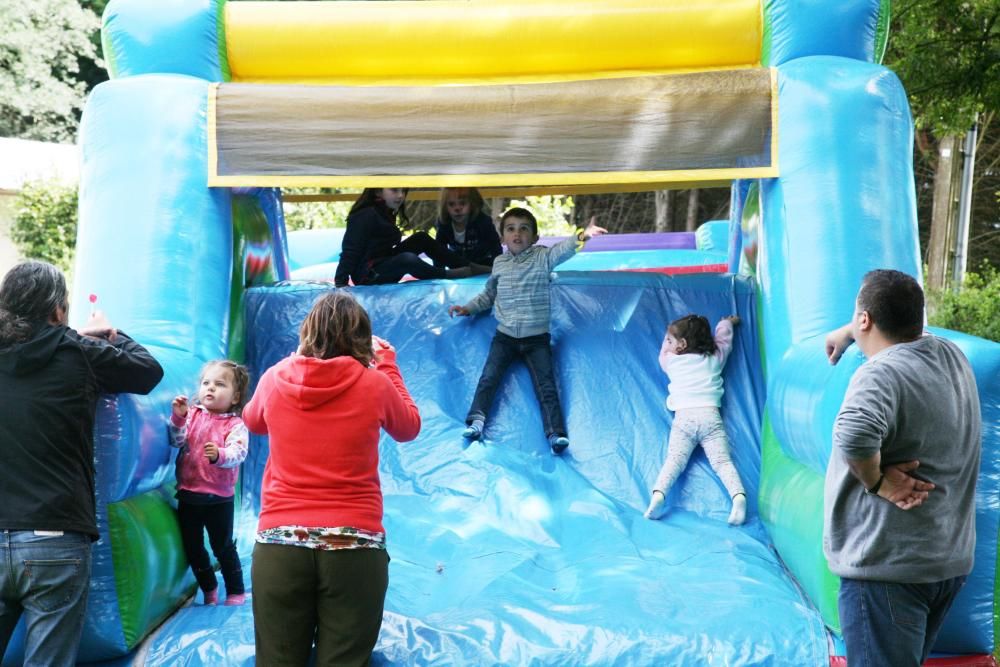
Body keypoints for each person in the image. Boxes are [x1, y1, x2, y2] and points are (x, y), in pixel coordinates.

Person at [243, 291, 420, 664]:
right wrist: (387, 365)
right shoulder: (374, 384)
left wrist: (294, 361)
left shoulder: (276, 379)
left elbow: (252, 420)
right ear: (361, 338)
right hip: (354, 545)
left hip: (280, 542)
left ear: (306, 333)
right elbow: (409, 427)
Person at [0, 260, 163, 666]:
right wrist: (112, 333)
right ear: (58, 310)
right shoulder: (78, 351)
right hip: (55, 534)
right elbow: (148, 372)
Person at [823, 269, 981, 667]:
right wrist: (851, 330)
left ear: (866, 319)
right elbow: (909, 329)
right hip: (943, 560)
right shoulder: (949, 355)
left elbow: (854, 432)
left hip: (888, 568)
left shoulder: (881, 374)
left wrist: (877, 482)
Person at [448, 208, 606, 455]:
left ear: (535, 237)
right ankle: (476, 421)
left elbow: (563, 250)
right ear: (502, 238)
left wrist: (582, 237)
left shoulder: (542, 258)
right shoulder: (499, 263)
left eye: (524, 228)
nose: (517, 233)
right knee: (489, 378)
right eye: (510, 228)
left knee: (546, 386)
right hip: (505, 337)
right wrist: (468, 308)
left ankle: (556, 434)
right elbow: (489, 294)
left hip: (536, 339)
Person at [644, 314, 747, 525]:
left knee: (674, 461)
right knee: (723, 462)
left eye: (670, 340)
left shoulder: (671, 361)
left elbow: (662, 354)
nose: (667, 344)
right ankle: (738, 497)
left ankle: (658, 496)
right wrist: (726, 323)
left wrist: (666, 342)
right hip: (710, 418)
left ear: (681, 345)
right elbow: (724, 340)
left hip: (685, 420)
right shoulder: (714, 359)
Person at [168, 360, 250, 606]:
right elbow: (176, 440)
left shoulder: (235, 424)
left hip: (218, 498)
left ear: (235, 397)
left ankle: (236, 591)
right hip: (189, 494)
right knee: (193, 548)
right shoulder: (193, 415)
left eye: (219, 384)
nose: (210, 389)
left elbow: (239, 452)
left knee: (222, 546)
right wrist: (179, 419)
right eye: (206, 383)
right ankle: (209, 587)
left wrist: (220, 455)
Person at [334, 188, 490, 287]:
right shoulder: (365, 215)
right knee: (407, 259)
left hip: (381, 263)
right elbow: (351, 249)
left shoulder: (384, 211)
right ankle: (447, 274)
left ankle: (467, 266)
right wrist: (341, 282)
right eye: (394, 190)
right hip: (367, 275)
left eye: (403, 190)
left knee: (420, 238)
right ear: (377, 192)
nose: (401, 195)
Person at [433, 187, 502, 267]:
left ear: (472, 204)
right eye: (451, 204)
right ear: (445, 207)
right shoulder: (445, 225)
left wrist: (498, 267)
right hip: (458, 265)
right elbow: (439, 251)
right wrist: (438, 273)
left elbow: (494, 245)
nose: (457, 208)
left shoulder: (483, 222)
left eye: (462, 203)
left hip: (482, 263)